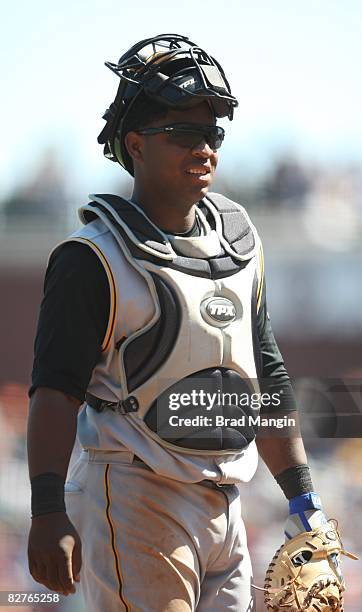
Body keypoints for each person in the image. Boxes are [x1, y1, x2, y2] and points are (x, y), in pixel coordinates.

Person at [27, 34, 329, 611]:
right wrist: (46, 510)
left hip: (227, 505)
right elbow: (54, 392)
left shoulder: (239, 243)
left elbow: (264, 377)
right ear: (135, 144)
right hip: (137, 494)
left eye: (213, 134)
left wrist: (304, 502)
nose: (205, 148)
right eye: (184, 133)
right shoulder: (94, 257)